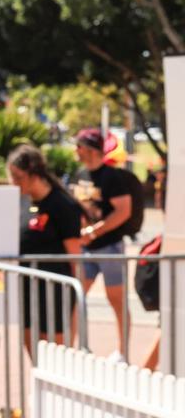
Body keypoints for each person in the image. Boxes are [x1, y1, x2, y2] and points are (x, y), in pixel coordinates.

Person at [7, 144, 83, 356]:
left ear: (34, 174)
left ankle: (57, 389)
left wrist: (76, 299)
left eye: (18, 176)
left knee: (56, 349)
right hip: (29, 284)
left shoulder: (62, 205)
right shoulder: (25, 203)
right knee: (30, 341)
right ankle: (41, 387)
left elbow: (74, 255)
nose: (13, 182)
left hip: (56, 286)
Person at [73, 127, 140, 362]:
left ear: (90, 149)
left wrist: (93, 232)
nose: (76, 151)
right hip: (86, 249)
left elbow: (123, 211)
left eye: (79, 146)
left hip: (109, 248)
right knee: (75, 297)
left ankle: (123, 353)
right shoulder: (79, 173)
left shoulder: (112, 177)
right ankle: (78, 347)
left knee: (117, 300)